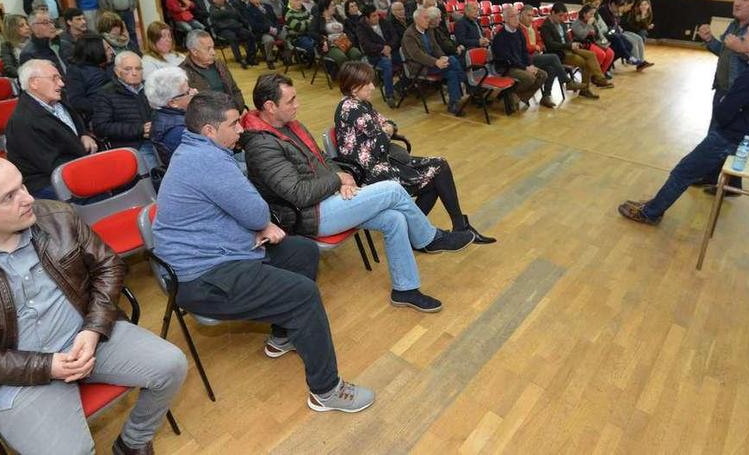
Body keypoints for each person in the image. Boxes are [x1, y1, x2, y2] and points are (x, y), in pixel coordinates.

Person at [0, 154, 187, 455]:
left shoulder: (58, 216)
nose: (28, 198)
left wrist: (93, 329)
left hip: (85, 338)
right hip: (11, 372)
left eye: (22, 185)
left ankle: (132, 443)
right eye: (9, 197)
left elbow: (108, 266)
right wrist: (45, 366)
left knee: (171, 365)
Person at [154, 90, 375, 413]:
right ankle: (325, 390)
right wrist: (260, 224)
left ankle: (283, 335)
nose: (242, 129)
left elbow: (245, 211)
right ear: (210, 131)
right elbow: (256, 214)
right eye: (234, 124)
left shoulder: (195, 149)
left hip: (219, 252)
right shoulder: (207, 160)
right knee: (303, 294)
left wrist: (258, 224)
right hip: (202, 277)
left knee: (301, 251)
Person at [242, 73, 476, 313]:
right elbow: (298, 193)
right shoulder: (261, 146)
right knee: (393, 190)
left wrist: (344, 178)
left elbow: (322, 159)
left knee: (394, 219)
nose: (297, 105)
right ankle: (430, 238)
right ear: (270, 107)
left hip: (326, 200)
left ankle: (405, 289)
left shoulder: (291, 126)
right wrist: (336, 179)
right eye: (291, 100)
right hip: (309, 216)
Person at [619, 13, 749, 225]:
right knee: (689, 171)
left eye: (746, 33)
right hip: (748, 136)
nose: (742, 35)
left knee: (683, 172)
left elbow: (723, 112)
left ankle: (651, 212)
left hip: (731, 137)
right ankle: (656, 205)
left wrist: (725, 101)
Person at [335, 62, 496, 243]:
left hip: (383, 160)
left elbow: (390, 125)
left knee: (439, 166)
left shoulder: (362, 104)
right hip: (372, 172)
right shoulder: (351, 108)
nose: (373, 86)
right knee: (436, 175)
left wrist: (386, 130)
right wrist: (385, 131)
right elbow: (381, 140)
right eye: (368, 83)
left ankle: (448, 227)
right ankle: (427, 230)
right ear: (354, 86)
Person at [5, 59, 98, 199]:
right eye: (54, 78)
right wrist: (90, 168)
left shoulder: (57, 98)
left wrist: (83, 134)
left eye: (60, 78)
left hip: (75, 165)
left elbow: (76, 120)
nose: (61, 83)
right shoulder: (24, 121)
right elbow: (52, 164)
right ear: (34, 83)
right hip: (47, 182)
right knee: (102, 187)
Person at [697, 0, 749, 134]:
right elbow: (725, 52)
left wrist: (740, 49)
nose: (737, 3)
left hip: (739, 96)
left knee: (726, 139)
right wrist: (709, 40)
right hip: (722, 89)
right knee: (714, 134)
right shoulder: (734, 24)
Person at [92, 51, 158, 171]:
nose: (134, 73)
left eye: (138, 69)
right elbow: (100, 127)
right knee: (155, 175)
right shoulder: (106, 94)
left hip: (157, 140)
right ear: (117, 72)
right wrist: (140, 129)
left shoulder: (149, 88)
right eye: (128, 69)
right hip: (132, 146)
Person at [402, 8, 469, 115]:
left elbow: (435, 48)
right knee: (452, 59)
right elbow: (417, 55)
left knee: (451, 72)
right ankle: (467, 82)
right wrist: (436, 62)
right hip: (419, 66)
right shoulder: (409, 35)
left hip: (433, 63)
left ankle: (453, 104)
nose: (428, 20)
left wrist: (442, 57)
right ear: (417, 20)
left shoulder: (429, 30)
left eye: (428, 17)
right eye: (425, 17)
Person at [539, 3, 606, 99]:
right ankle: (589, 87)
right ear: (552, 13)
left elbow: (566, 39)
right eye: (560, 16)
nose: (562, 19)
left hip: (568, 48)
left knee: (591, 55)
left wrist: (573, 44)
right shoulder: (546, 26)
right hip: (559, 53)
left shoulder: (561, 24)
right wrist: (570, 45)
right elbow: (551, 45)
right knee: (585, 63)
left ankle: (600, 78)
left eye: (564, 16)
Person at [493, 5, 551, 109]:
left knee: (543, 75)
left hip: (520, 64)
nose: (516, 18)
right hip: (506, 66)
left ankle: (516, 96)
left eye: (517, 15)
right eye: (512, 16)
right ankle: (510, 95)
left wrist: (530, 65)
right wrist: (525, 68)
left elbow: (524, 52)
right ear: (505, 19)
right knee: (530, 78)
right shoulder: (500, 37)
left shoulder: (518, 32)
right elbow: (509, 59)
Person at [520, 6, 583, 99]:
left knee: (551, 69)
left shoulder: (532, 25)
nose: (531, 18)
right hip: (526, 58)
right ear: (521, 15)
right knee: (553, 57)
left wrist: (539, 46)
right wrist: (535, 47)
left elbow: (540, 41)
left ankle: (546, 96)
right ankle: (567, 81)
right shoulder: (518, 28)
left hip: (536, 54)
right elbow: (522, 47)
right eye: (528, 15)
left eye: (532, 16)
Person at [145, 66, 197, 164]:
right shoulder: (178, 132)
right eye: (188, 91)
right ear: (173, 102)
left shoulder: (161, 112)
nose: (194, 91)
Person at [357, 5, 399, 107]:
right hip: (374, 55)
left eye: (377, 15)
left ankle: (401, 87)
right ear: (367, 18)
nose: (377, 18)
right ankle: (389, 95)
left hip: (390, 50)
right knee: (387, 65)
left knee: (407, 58)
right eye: (373, 16)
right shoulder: (361, 27)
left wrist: (389, 47)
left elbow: (395, 36)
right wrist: (382, 49)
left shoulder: (383, 21)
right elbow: (367, 45)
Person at [65, 34, 112, 122]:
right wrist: (105, 105)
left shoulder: (108, 66)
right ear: (96, 51)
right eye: (108, 49)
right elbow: (76, 101)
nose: (111, 52)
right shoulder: (79, 71)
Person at [310, 0, 363, 74]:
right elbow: (312, 32)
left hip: (343, 42)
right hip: (331, 45)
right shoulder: (318, 19)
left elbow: (346, 30)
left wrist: (347, 36)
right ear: (325, 8)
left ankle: (356, 75)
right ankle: (347, 78)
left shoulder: (337, 17)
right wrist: (322, 39)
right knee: (342, 57)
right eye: (332, 5)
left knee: (357, 54)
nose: (334, 7)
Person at [210, 0, 257, 68]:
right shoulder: (212, 8)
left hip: (235, 27)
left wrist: (245, 23)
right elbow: (216, 14)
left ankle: (250, 57)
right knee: (232, 37)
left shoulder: (228, 5)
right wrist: (229, 12)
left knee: (249, 35)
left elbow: (237, 14)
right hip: (223, 30)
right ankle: (240, 59)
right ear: (213, 0)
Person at [570, 4, 615, 76]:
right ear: (584, 14)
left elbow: (599, 33)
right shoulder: (576, 24)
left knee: (610, 53)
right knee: (600, 54)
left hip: (595, 42)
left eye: (593, 14)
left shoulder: (593, 22)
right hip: (583, 44)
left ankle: (600, 75)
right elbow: (582, 36)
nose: (592, 16)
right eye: (590, 14)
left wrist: (604, 40)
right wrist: (588, 25)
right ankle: (592, 75)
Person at [245, 0, 284, 70]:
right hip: (262, 32)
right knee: (269, 40)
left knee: (285, 36)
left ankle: (286, 56)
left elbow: (276, 19)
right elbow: (254, 25)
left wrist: (276, 28)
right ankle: (269, 60)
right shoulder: (249, 10)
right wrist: (269, 29)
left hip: (274, 29)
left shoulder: (267, 6)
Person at [0, 14, 31, 78]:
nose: (27, 27)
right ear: (12, 29)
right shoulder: (6, 46)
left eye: (27, 24)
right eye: (21, 26)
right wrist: (27, 75)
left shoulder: (35, 40)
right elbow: (9, 69)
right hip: (22, 77)